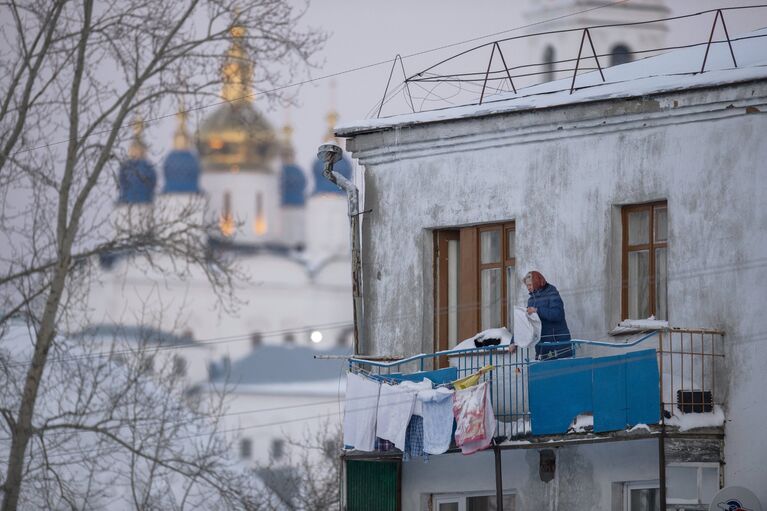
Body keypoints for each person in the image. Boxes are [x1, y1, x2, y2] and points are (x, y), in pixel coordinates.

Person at [523, 271, 573, 360]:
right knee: (543, 373)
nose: (528, 288)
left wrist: (537, 310)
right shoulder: (531, 300)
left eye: (530, 285)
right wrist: (513, 342)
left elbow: (557, 314)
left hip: (557, 343)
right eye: (527, 285)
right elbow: (525, 322)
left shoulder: (552, 293)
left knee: (561, 372)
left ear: (536, 282)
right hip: (542, 346)